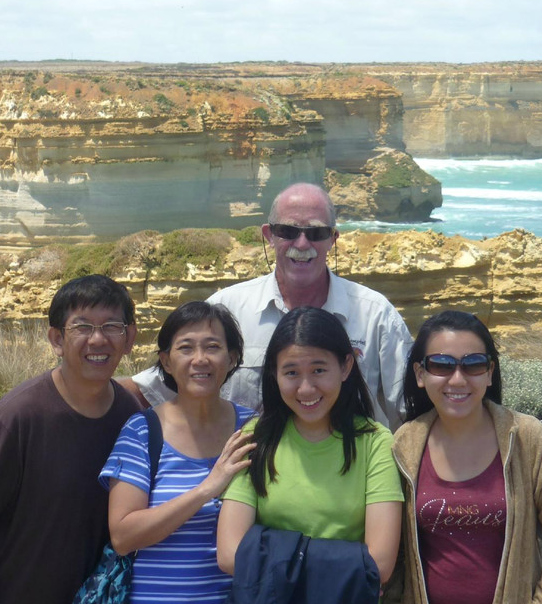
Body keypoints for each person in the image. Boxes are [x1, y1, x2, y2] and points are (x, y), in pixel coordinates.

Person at [125, 182, 414, 426]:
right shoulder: (228, 309)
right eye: (288, 232)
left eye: (316, 233)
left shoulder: (375, 315)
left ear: (332, 240)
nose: (302, 244)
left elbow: (411, 407)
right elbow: (153, 387)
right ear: (269, 235)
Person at [0, 274, 143, 604]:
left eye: (111, 326)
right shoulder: (17, 417)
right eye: (82, 327)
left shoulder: (129, 415)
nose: (97, 339)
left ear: (129, 337)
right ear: (57, 338)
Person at [391, 311, 542, 604]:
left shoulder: (526, 437)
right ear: (421, 374)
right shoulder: (405, 444)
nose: (457, 379)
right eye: (442, 365)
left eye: (473, 365)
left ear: (489, 372)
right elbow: (398, 561)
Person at [216, 306, 403, 591]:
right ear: (274, 375)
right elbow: (229, 554)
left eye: (318, 370)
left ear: (345, 367)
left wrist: (269, 554)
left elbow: (380, 564)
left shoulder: (376, 443)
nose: (305, 389)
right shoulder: (257, 438)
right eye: (291, 372)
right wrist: (347, 561)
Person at [99, 301, 256, 603]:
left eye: (213, 347)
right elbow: (123, 537)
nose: (200, 359)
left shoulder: (252, 430)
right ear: (166, 361)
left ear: (233, 358)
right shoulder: (143, 431)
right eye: (185, 348)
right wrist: (207, 489)